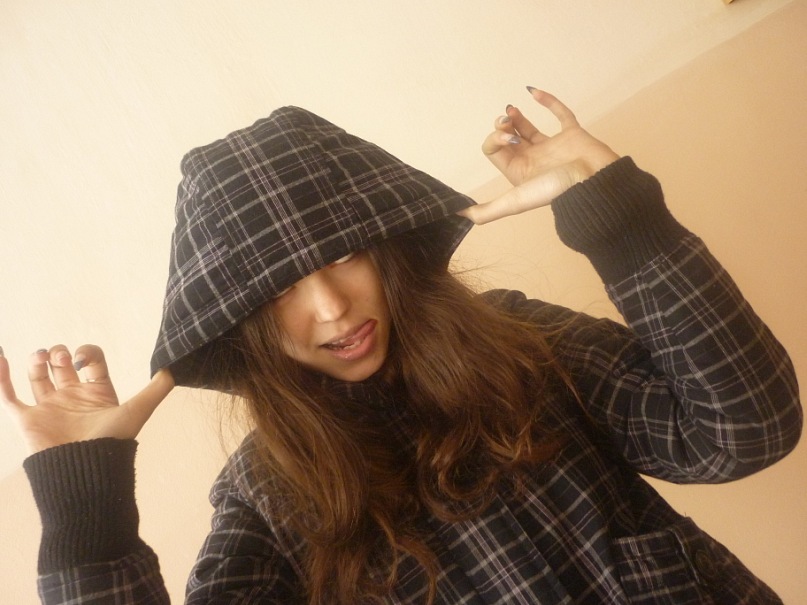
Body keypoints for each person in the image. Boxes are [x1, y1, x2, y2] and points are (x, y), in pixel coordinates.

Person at [0, 89, 801, 604]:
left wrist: (618, 217)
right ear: (241, 325)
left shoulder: (520, 341)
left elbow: (743, 430)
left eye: (344, 253)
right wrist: (87, 516)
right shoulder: (268, 495)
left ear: (388, 249)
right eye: (276, 290)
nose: (329, 307)